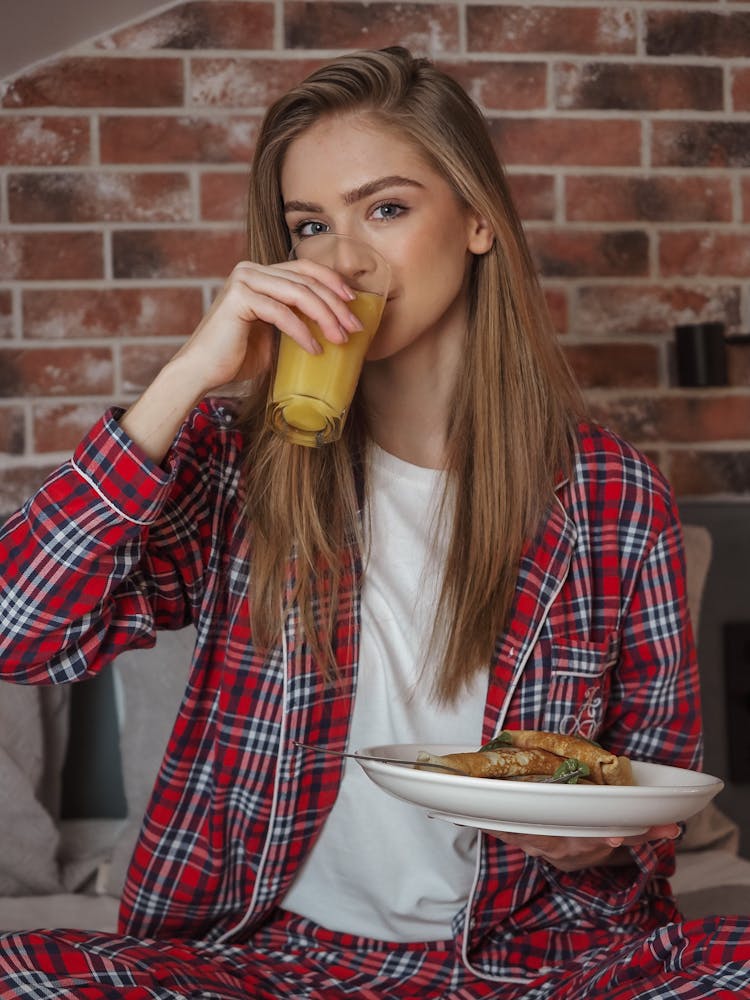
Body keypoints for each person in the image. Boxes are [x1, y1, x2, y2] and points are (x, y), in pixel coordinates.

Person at [0, 45, 747, 1000]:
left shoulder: (613, 495)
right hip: (271, 962)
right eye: (310, 225)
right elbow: (20, 631)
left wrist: (593, 840)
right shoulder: (237, 467)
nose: (342, 258)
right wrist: (185, 377)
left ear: (478, 220)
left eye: (385, 209)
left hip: (532, 964)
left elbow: (653, 796)